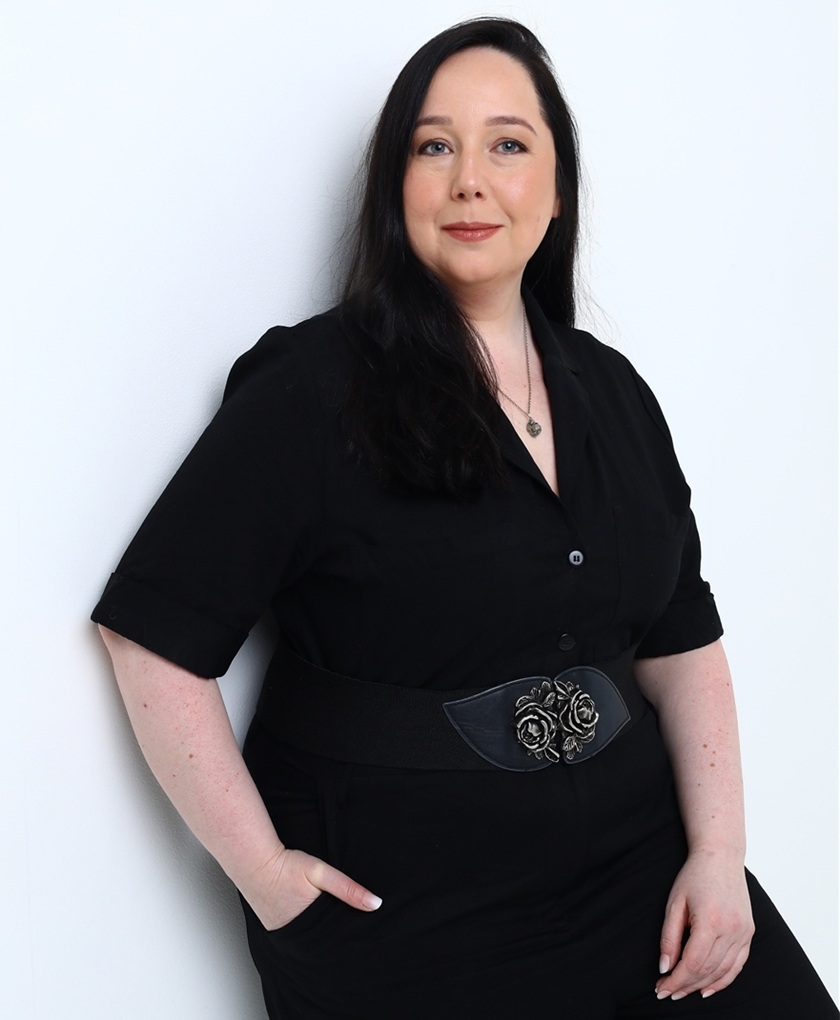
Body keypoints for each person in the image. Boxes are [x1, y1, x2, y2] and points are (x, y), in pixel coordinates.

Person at [92, 17, 837, 1020]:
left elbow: (682, 640)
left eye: (509, 145)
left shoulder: (614, 392)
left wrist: (719, 853)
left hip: (640, 876)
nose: (470, 181)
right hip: (411, 916)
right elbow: (150, 637)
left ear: (558, 188)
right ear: (394, 187)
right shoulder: (310, 388)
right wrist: (267, 880)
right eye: (434, 146)